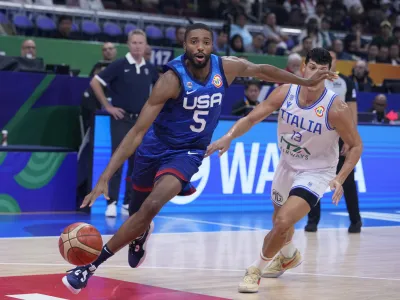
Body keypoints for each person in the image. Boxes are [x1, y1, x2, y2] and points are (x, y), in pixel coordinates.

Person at [62, 24, 337, 295]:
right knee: (139, 210)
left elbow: (262, 71)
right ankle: (141, 232)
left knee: (152, 205)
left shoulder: (225, 67)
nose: (200, 47)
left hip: (188, 153)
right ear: (185, 46)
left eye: (205, 41)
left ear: (211, 45)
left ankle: (89, 268)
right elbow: (136, 132)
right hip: (155, 147)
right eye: (194, 41)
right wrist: (104, 177)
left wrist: (303, 81)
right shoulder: (171, 79)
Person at [206, 48, 363, 293]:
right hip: (287, 164)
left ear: (329, 75)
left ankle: (254, 270)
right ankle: (289, 255)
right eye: (311, 68)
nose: (314, 75)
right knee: (279, 222)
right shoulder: (285, 92)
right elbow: (251, 118)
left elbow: (356, 145)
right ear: (303, 68)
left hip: (317, 172)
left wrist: (340, 177)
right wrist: (229, 137)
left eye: (322, 71)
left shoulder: (336, 108)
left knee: (282, 221)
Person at [91, 29, 159, 218]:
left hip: (141, 122)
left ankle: (128, 202)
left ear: (146, 46)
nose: (138, 46)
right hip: (122, 119)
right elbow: (95, 83)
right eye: (134, 43)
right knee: (118, 160)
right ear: (129, 45)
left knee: (137, 162)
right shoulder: (120, 65)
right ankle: (111, 201)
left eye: (141, 43)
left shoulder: (149, 68)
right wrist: (108, 106)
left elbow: (161, 89)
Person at [305, 51, 362, 233]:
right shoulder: (313, 80)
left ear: (334, 63)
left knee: (348, 179)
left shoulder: (346, 82)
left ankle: (355, 221)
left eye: (332, 59)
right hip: (317, 136)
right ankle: (313, 221)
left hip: (340, 137)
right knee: (313, 177)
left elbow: (352, 112)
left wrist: (350, 138)